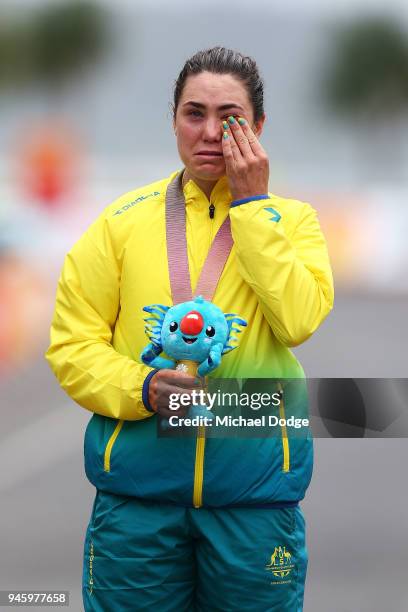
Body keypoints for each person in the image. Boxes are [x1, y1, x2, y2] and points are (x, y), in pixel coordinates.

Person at [45, 46, 334, 611]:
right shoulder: (120, 222)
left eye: (229, 117)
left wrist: (253, 207)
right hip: (137, 503)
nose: (209, 132)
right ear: (173, 118)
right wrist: (141, 388)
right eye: (193, 113)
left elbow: (298, 321)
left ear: (259, 127)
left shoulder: (292, 221)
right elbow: (73, 344)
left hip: (254, 500)